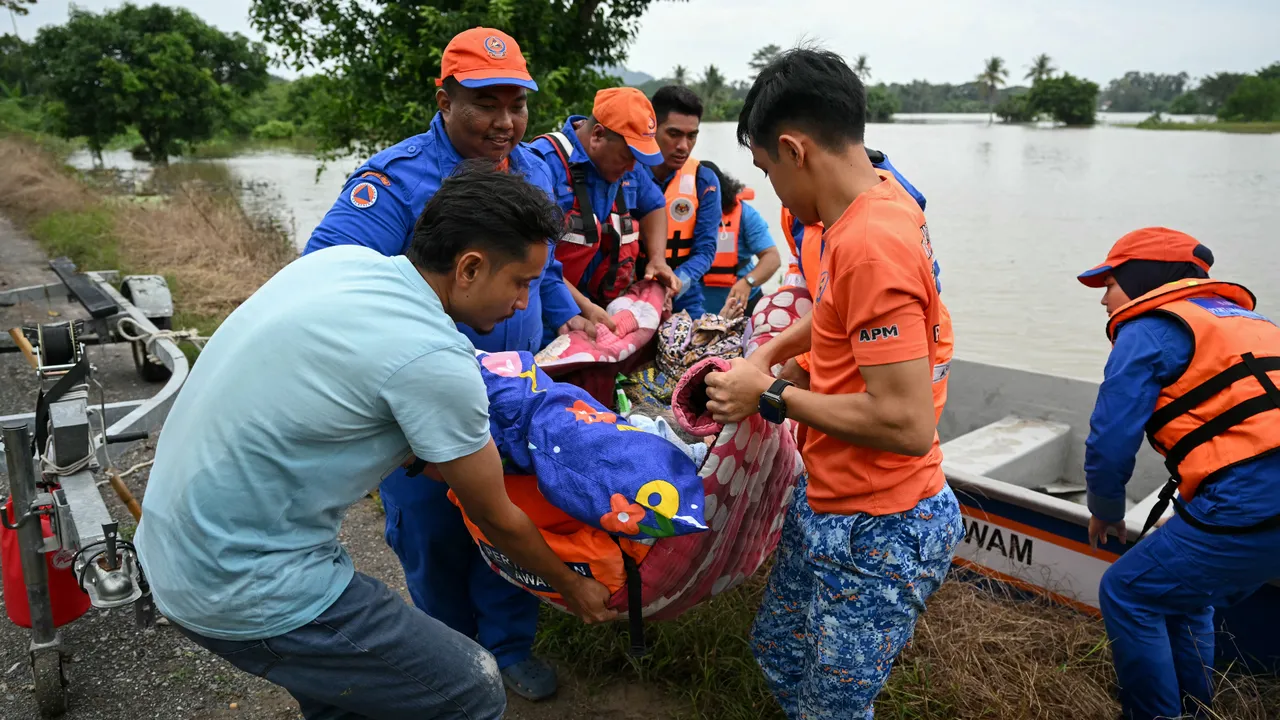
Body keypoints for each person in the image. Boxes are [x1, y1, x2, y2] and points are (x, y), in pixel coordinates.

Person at [134, 166, 617, 720]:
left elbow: (345, 402)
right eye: (521, 282)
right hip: (243, 581)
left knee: (348, 698)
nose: (525, 302)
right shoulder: (434, 358)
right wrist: (571, 586)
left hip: (170, 547)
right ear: (469, 268)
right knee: (471, 688)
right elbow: (497, 518)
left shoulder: (343, 264)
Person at [301, 27, 576, 701]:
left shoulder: (532, 169)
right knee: (434, 533)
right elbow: (326, 282)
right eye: (486, 103)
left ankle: (510, 646)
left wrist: (570, 316)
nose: (505, 122)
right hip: (420, 404)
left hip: (514, 391)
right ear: (445, 98)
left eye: (517, 104)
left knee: (515, 515)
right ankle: (454, 658)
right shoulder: (395, 182)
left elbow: (543, 268)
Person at [700, 48, 964, 718]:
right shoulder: (871, 204)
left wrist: (768, 396)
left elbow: (907, 425)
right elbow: (834, 312)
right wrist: (772, 354)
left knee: (833, 709)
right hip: (829, 493)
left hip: (885, 521)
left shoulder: (872, 244)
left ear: (795, 149)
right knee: (778, 649)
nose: (775, 192)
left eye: (769, 172)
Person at [1078, 227, 1280, 720]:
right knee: (1187, 597)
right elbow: (1246, 426)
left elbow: (1110, 438)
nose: (1104, 299)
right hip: (1257, 494)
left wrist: (1106, 508)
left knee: (1128, 592)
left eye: (1111, 283)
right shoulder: (1255, 323)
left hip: (1251, 500)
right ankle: (1194, 710)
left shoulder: (1147, 328)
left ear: (1143, 278)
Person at [528, 87, 680, 322]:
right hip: (549, 314)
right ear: (597, 135)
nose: (632, 168)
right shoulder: (541, 164)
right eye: (626, 157)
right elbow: (532, 258)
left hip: (601, 308)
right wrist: (583, 309)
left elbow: (655, 205)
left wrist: (658, 258)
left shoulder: (629, 165)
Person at [642, 85, 722, 317]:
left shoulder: (704, 181)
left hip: (683, 296)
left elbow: (705, 250)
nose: (683, 146)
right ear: (652, 128)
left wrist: (674, 284)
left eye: (692, 136)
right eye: (674, 134)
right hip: (628, 292)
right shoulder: (627, 173)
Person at [696, 160, 781, 319]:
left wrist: (748, 281)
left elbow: (772, 258)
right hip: (694, 308)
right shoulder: (680, 214)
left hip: (743, 305)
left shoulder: (745, 214)